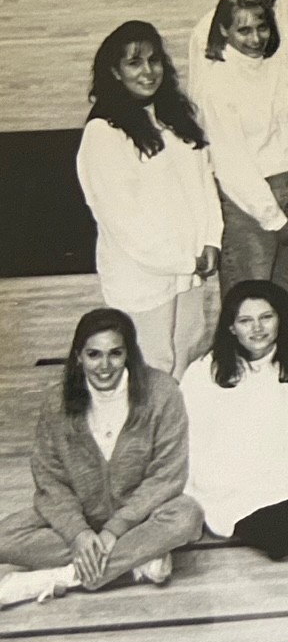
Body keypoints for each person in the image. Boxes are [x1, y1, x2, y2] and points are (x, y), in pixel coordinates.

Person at [0, 309, 203, 608]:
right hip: (83, 513)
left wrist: (114, 530)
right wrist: (78, 533)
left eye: (115, 354)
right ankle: (137, 562)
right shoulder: (57, 402)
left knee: (187, 516)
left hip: (142, 514)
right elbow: (49, 479)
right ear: (78, 356)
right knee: (5, 536)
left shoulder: (162, 393)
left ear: (129, 354)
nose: (105, 366)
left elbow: (167, 475)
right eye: (94, 355)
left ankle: (63, 576)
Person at [76, 22, 222, 378]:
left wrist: (209, 240)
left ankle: (180, 433)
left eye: (154, 61)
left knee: (188, 360)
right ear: (115, 71)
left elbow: (204, 184)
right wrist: (182, 259)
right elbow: (123, 219)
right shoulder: (103, 133)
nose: (148, 71)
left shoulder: (177, 119)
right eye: (134, 63)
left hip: (189, 274)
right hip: (143, 278)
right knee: (151, 368)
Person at [180, 281, 288, 545]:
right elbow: (189, 436)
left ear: (280, 320)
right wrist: (189, 492)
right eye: (245, 321)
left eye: (266, 317)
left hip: (287, 465)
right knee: (279, 539)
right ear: (231, 327)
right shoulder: (203, 371)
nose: (257, 329)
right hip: (231, 473)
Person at [194, 0, 288, 305]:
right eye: (243, 30)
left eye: (261, 27)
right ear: (223, 30)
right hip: (250, 207)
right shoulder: (217, 83)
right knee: (251, 306)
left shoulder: (280, 69)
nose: (255, 38)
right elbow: (233, 166)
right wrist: (275, 221)